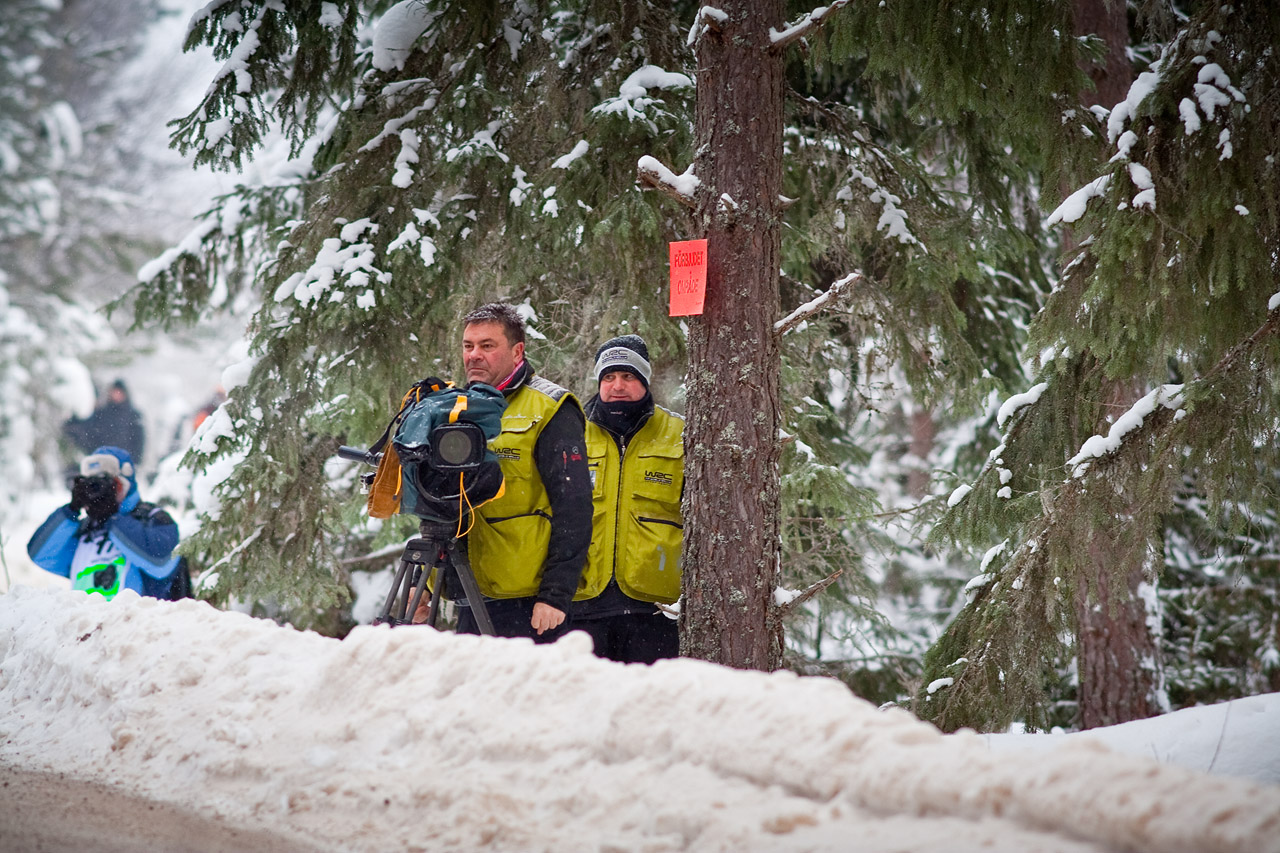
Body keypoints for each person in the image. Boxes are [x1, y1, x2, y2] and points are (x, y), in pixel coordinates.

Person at [455, 303, 593, 642]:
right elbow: (446, 503)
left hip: (529, 602)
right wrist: (429, 585)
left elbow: (574, 507)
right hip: (469, 590)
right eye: (468, 345)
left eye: (487, 346)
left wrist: (555, 595)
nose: (474, 355)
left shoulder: (549, 408)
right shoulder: (455, 408)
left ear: (517, 351)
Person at [572, 335, 684, 663]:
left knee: (648, 705)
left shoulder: (678, 434)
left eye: (628, 376)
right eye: (609, 377)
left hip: (655, 607)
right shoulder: (572, 431)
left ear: (645, 381)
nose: (617, 385)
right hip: (583, 602)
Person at [28, 446, 185, 601]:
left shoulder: (152, 519)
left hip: (139, 623)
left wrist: (113, 518)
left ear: (125, 484)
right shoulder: (85, 529)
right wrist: (71, 510)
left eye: (107, 483)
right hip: (88, 623)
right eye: (91, 485)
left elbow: (160, 563)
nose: (98, 492)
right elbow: (41, 555)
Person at [62, 379, 146, 463]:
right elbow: (89, 433)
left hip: (123, 463)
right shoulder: (102, 413)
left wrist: (134, 461)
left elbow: (138, 441)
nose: (116, 395)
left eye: (119, 392)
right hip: (101, 462)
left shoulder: (133, 416)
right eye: (114, 392)